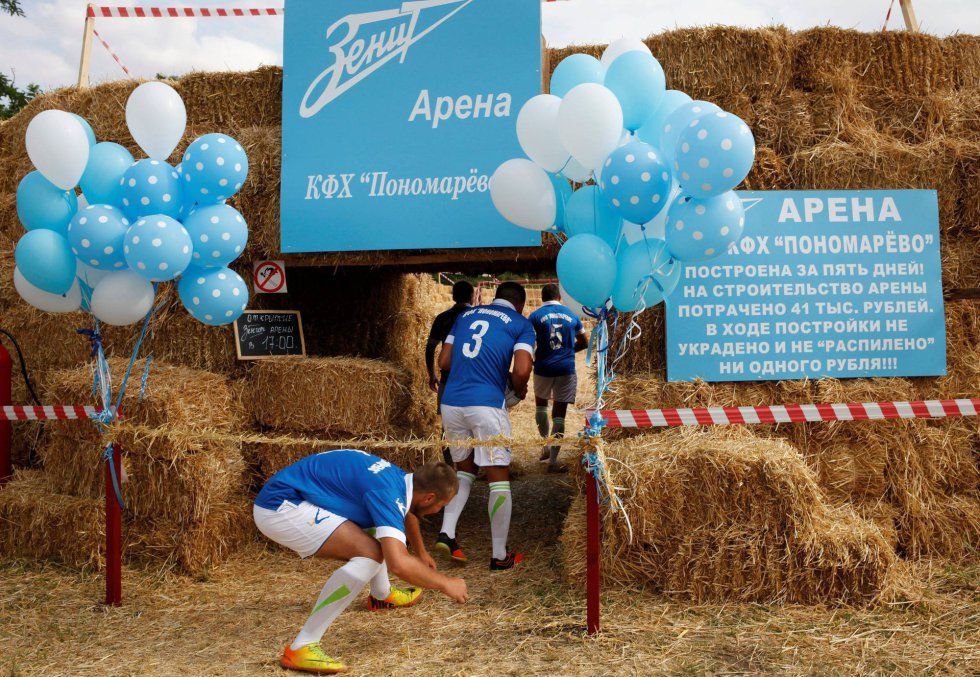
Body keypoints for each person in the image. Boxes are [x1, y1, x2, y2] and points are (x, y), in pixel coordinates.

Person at [254, 451, 468, 674]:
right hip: (279, 507)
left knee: (379, 533)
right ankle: (302, 646)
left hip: (292, 494)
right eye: (441, 506)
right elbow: (399, 564)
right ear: (429, 498)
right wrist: (445, 583)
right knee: (370, 555)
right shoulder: (387, 493)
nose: (437, 512)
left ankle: (381, 596)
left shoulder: (401, 479)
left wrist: (421, 552)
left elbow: (405, 513)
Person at [434, 281, 535, 570]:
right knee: (498, 478)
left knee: (464, 471)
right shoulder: (521, 323)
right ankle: (500, 555)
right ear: (520, 304)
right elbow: (523, 369)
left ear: (494, 298)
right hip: (486, 404)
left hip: (452, 403)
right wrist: (519, 388)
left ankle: (447, 532)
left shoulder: (465, 316)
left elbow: (445, 360)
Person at [529, 284, 588, 472]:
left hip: (543, 367)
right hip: (566, 368)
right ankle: (553, 461)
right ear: (559, 297)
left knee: (541, 406)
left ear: (541, 297)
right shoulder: (572, 315)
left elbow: (528, 342)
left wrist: (534, 358)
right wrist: (569, 351)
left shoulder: (535, 316)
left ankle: (545, 445)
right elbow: (584, 342)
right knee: (559, 414)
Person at [425, 280, 475, 464]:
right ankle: (473, 466)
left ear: (453, 296)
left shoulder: (442, 318)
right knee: (475, 425)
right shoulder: (477, 317)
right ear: (472, 296)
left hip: (448, 380)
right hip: (474, 380)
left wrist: (431, 374)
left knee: (447, 427)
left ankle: (449, 467)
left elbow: (430, 348)